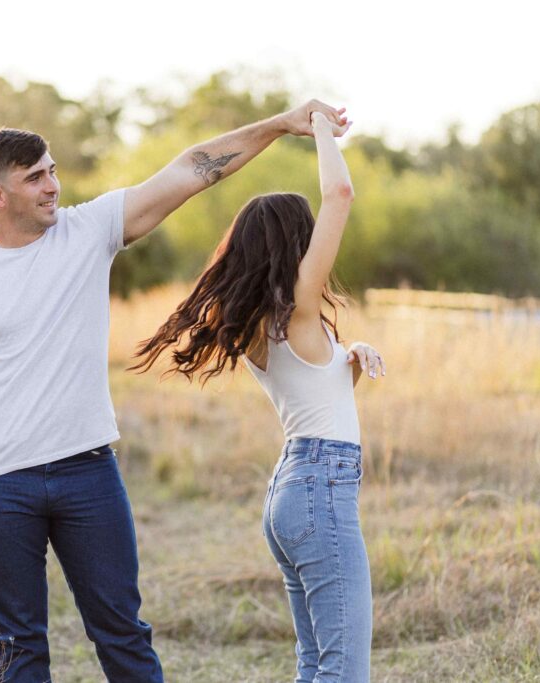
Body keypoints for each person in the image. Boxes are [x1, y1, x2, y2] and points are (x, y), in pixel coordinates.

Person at [0, 100, 349, 682]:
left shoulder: (89, 231)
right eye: (34, 177)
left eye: (53, 170)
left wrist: (280, 124)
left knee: (124, 635)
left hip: (87, 472)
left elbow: (192, 169)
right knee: (17, 644)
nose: (52, 186)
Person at [129, 110, 383, 682]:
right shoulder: (299, 302)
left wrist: (352, 358)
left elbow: (318, 398)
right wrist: (318, 124)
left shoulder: (258, 323)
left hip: (294, 489)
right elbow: (340, 191)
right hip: (319, 487)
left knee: (315, 663)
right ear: (298, 241)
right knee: (344, 670)